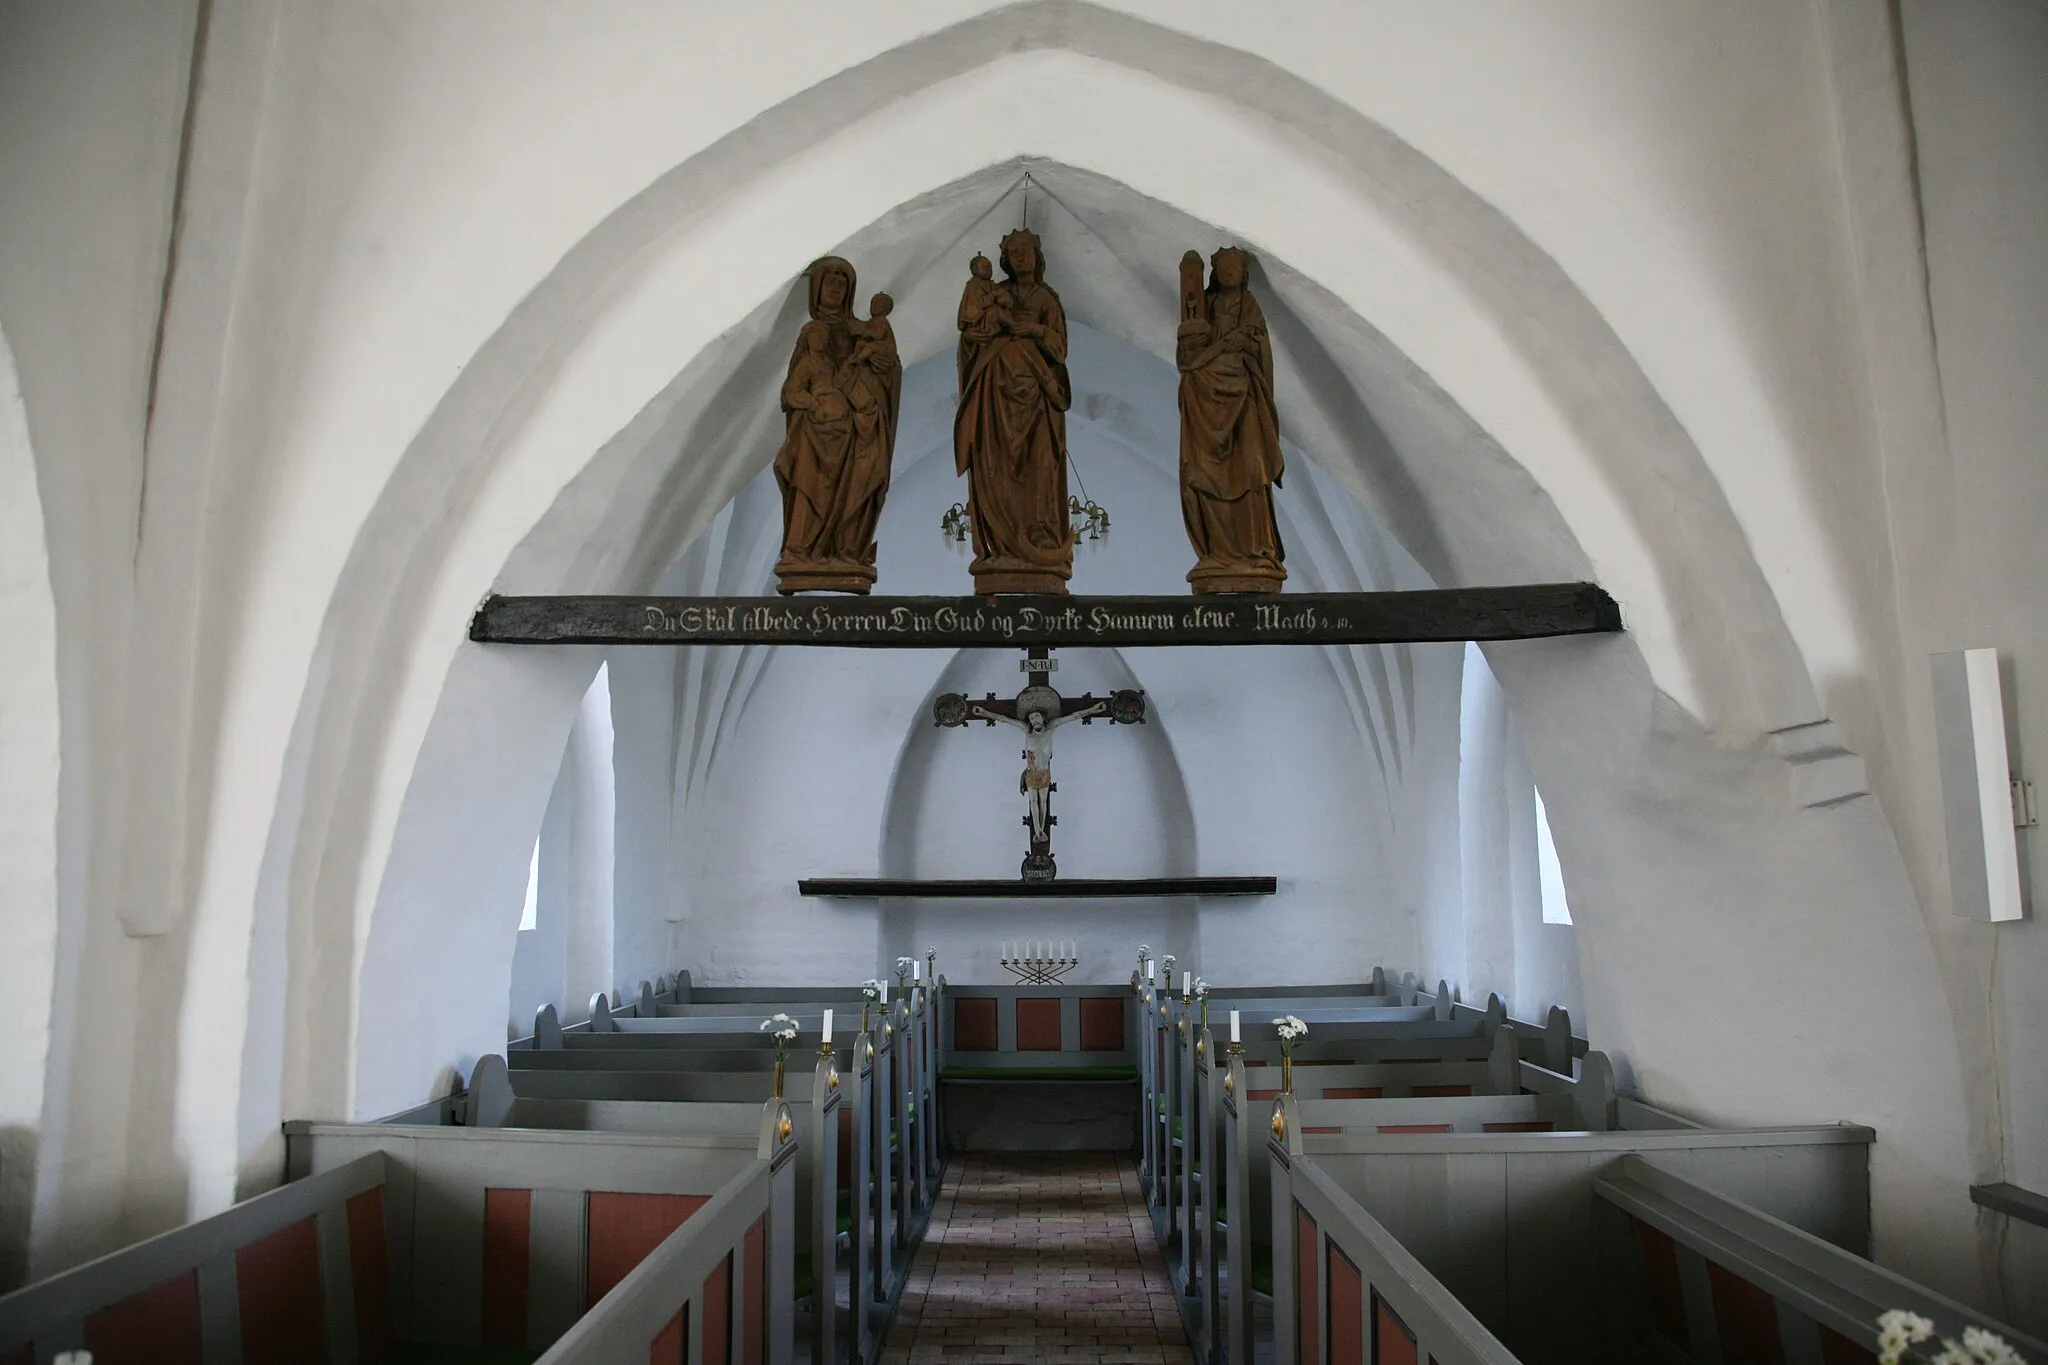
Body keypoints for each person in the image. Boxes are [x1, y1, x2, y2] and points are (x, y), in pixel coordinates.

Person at [953, 229, 1073, 595]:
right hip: (996, 396)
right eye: (1015, 252)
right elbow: (973, 331)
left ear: (1038, 257)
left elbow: (1060, 347)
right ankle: (1002, 545)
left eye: (1028, 252)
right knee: (995, 466)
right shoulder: (996, 293)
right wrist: (972, 340)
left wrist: (1034, 329)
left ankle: (1039, 538)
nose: (1021, 257)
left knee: (1040, 466)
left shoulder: (1046, 298)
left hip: (1036, 398)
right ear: (1005, 259)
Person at [1177, 245, 1286, 592]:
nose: (1228, 273)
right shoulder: (1202, 307)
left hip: (1243, 400)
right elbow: (1188, 357)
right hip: (1206, 403)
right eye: (1222, 267)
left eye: (1234, 268)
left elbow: (1260, 352)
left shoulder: (1250, 308)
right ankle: (1219, 551)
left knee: (1251, 468)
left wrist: (1241, 346)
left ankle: (1256, 550)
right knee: (1202, 474)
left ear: (1244, 273)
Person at [969, 694, 1107, 847]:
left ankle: (1041, 831)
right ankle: (1038, 831)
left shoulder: (1051, 728)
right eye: (1032, 719)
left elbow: (1074, 716)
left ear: (1043, 719)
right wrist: (984, 713)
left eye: (1037, 718)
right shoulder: (1026, 731)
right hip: (1032, 774)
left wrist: (1093, 710)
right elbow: (1004, 719)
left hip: (1045, 773)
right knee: (1033, 801)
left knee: (1043, 802)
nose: (1034, 721)